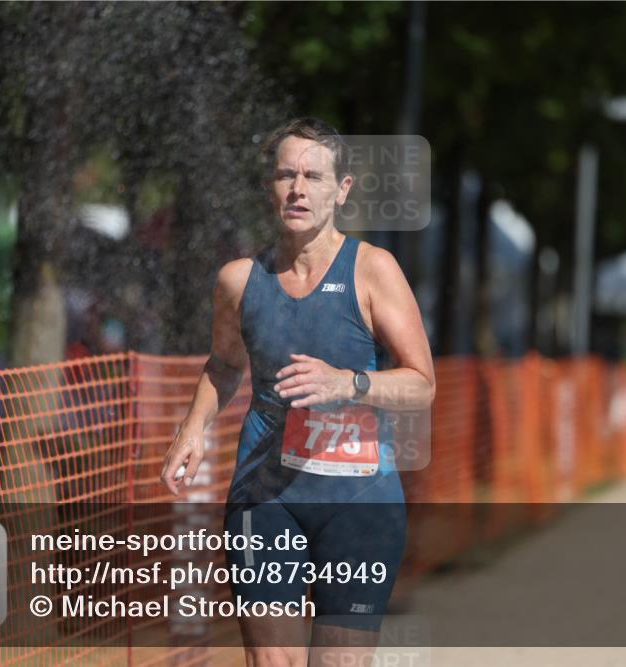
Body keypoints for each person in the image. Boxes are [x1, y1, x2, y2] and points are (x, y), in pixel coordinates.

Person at [160, 118, 436, 666]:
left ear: (342, 189)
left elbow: (422, 383)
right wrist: (192, 429)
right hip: (266, 498)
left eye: (313, 176)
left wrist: (348, 383)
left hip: (358, 502)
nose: (299, 189)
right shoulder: (239, 280)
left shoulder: (373, 271)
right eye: (287, 175)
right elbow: (223, 364)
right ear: (271, 187)